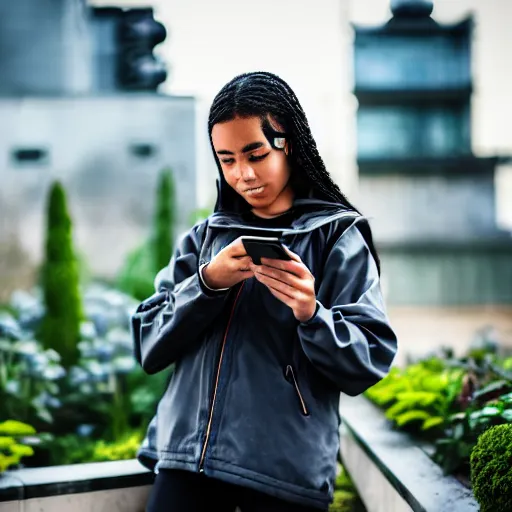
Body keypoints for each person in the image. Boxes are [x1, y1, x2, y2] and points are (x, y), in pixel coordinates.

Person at [131, 71, 398, 512]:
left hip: (283, 474)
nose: (244, 174)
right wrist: (207, 284)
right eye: (228, 159)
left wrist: (312, 314)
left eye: (255, 153)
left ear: (287, 143)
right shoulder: (205, 240)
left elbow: (368, 359)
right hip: (185, 465)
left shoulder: (337, 238)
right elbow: (149, 343)